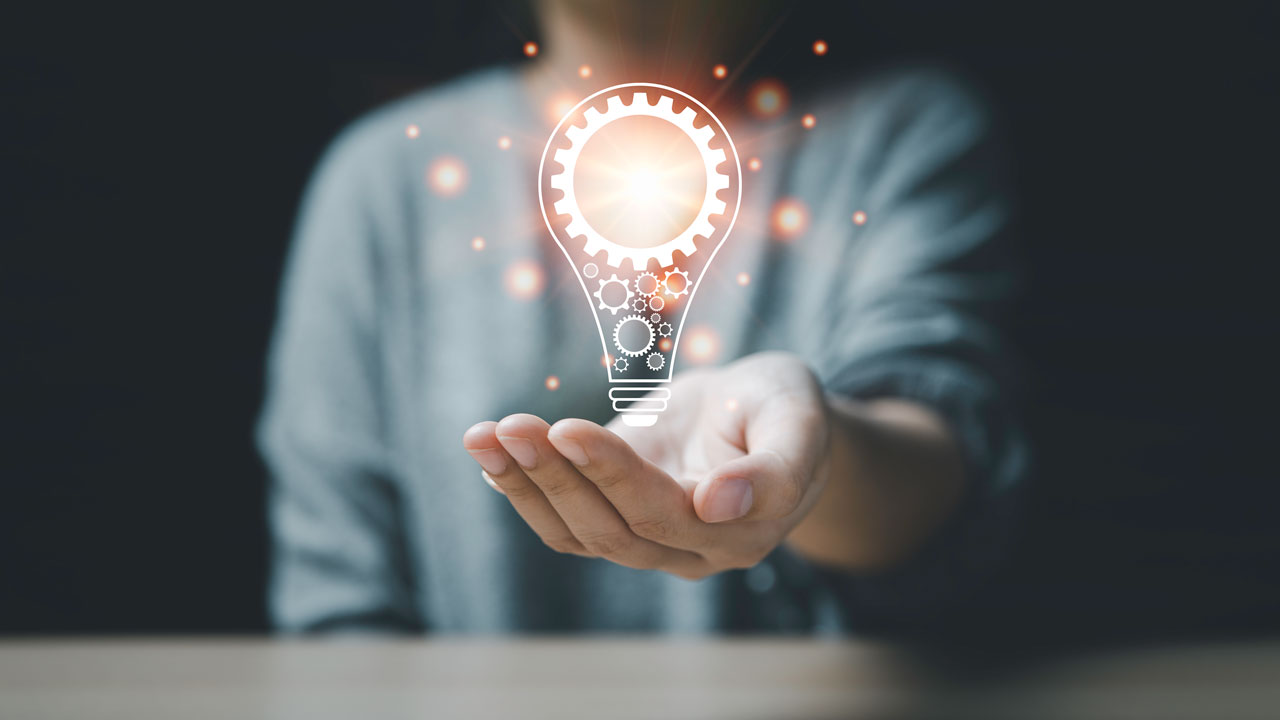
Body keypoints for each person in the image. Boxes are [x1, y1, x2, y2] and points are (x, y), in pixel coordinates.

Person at [258, 0, 1026, 633]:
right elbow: (340, 604)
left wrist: (812, 451)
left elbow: (945, 485)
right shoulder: (381, 183)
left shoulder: (900, 130)